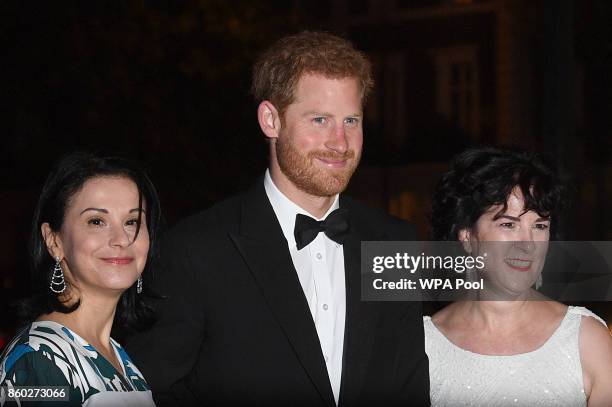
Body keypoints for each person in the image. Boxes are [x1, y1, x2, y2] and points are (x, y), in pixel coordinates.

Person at [126, 31, 429, 406]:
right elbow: (151, 393)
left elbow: (410, 390)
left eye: (351, 120)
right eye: (319, 120)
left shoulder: (395, 243)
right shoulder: (195, 251)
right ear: (271, 120)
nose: (340, 142)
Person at [426, 147, 612, 406]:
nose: (528, 244)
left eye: (539, 226)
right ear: (467, 236)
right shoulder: (423, 346)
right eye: (508, 224)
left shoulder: (586, 341)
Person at [0, 152, 161, 406]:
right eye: (97, 221)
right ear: (54, 241)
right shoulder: (38, 361)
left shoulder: (119, 358)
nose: (121, 239)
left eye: (132, 221)